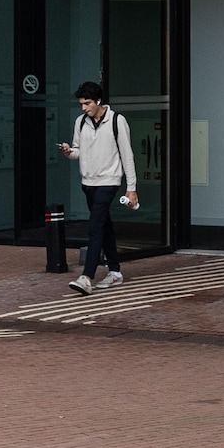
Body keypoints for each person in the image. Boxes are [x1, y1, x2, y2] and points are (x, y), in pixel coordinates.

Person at [58, 81, 137, 296]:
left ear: (98, 101)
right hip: (88, 183)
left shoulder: (117, 121)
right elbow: (78, 152)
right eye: (81, 104)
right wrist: (68, 151)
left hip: (109, 181)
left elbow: (127, 156)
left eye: (87, 103)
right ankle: (115, 272)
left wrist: (131, 188)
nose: (84, 107)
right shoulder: (80, 122)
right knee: (104, 225)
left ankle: (87, 276)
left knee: (95, 225)